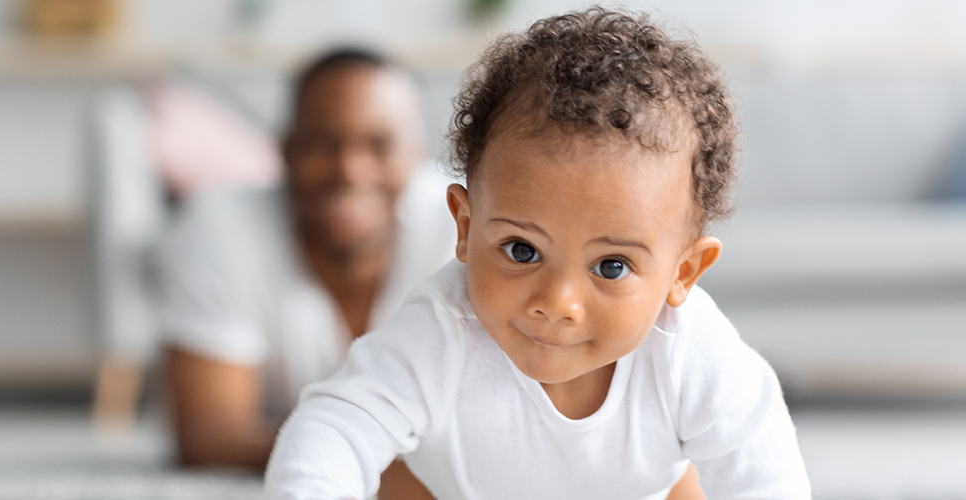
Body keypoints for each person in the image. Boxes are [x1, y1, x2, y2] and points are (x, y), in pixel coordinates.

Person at [265, 8, 811, 500]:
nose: (557, 302)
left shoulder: (694, 353)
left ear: (682, 273)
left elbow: (764, 475)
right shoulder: (439, 331)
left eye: (611, 266)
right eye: (522, 250)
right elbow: (338, 423)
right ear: (465, 224)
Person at [156, 49, 453, 497]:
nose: (350, 170)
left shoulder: (465, 224)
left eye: (379, 145)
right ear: (285, 150)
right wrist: (353, 452)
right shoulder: (218, 225)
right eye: (322, 143)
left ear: (417, 155)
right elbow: (207, 434)